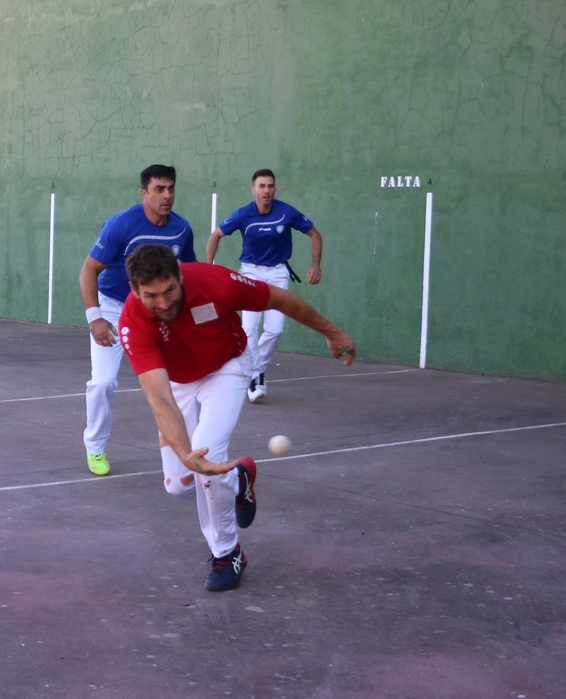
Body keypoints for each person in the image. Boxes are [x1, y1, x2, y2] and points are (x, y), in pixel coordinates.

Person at [119, 245, 356, 591]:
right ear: (135, 291)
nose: (164, 302)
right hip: (179, 379)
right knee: (179, 485)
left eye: (169, 289)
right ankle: (240, 479)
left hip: (227, 364)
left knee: (208, 455)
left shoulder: (216, 283)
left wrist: (332, 332)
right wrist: (183, 454)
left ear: (180, 276)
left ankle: (227, 552)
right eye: (151, 295)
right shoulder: (133, 321)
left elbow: (279, 299)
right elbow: (159, 395)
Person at [77, 164, 197, 476]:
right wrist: (96, 318)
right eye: (159, 189)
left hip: (161, 310)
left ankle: (188, 447)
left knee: (184, 380)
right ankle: (95, 447)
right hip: (116, 310)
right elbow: (89, 270)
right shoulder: (121, 224)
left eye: (171, 188)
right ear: (144, 192)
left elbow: (192, 275)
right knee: (103, 382)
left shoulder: (182, 229)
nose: (167, 195)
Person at [205, 169, 323, 403]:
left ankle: (255, 369)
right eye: (262, 186)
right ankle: (256, 375)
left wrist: (315, 264)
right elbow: (216, 235)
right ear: (253, 190)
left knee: (275, 329)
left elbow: (314, 234)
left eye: (270, 186)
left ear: (274, 189)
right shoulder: (242, 215)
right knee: (249, 328)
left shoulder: (286, 212)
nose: (266, 190)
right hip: (250, 273)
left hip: (278, 273)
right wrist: (209, 268)